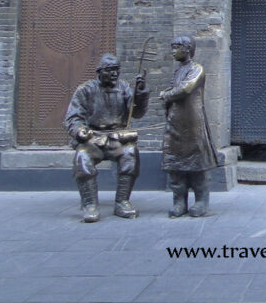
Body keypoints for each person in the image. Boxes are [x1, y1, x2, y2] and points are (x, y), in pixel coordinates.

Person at [64, 53, 149, 222]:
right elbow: (72, 118)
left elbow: (137, 113)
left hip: (117, 139)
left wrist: (140, 94)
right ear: (99, 71)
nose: (115, 74)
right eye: (110, 70)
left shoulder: (124, 88)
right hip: (93, 139)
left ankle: (122, 202)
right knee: (82, 157)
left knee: (130, 154)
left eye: (117, 70)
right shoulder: (85, 90)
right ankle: (90, 204)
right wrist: (80, 131)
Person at [159, 36, 219, 217]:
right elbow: (173, 87)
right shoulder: (178, 71)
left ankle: (201, 201)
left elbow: (185, 88)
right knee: (175, 164)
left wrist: (167, 94)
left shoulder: (196, 69)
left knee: (198, 162)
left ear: (187, 49)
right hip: (175, 124)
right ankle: (179, 201)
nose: (173, 51)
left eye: (176, 47)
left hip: (193, 124)